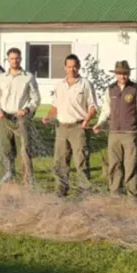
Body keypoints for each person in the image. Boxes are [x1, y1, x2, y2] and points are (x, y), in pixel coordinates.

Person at [42, 54, 97, 197]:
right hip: (61, 128)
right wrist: (48, 116)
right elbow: (55, 106)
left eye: (74, 66)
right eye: (69, 67)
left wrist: (87, 119)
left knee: (81, 161)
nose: (72, 69)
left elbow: (93, 107)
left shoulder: (85, 84)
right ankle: (60, 190)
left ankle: (84, 191)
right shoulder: (59, 86)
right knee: (60, 162)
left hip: (78, 128)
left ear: (78, 67)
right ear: (65, 68)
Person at [93, 60, 137, 197]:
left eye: (125, 74)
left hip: (129, 132)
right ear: (115, 74)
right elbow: (106, 110)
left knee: (130, 164)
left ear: (129, 73)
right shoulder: (110, 89)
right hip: (114, 133)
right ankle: (115, 192)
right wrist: (100, 123)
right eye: (119, 74)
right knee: (114, 164)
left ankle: (132, 194)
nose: (122, 77)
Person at [0, 47, 41, 185]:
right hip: (4, 118)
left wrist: (27, 109)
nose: (15, 61)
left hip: (20, 118)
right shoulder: (2, 78)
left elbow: (36, 98)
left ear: (21, 59)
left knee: (24, 150)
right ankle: (8, 181)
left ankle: (27, 182)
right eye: (12, 58)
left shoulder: (28, 77)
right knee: (5, 150)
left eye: (17, 58)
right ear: (8, 60)